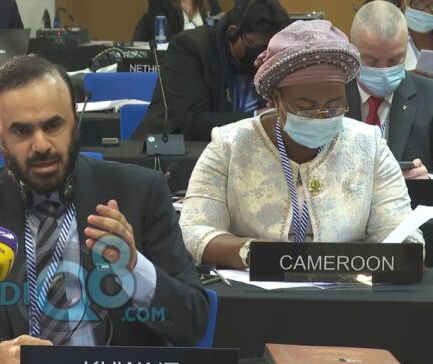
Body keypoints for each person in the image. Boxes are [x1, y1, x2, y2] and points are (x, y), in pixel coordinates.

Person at [0, 55, 208, 364]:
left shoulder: (140, 193)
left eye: (53, 125)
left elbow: (194, 322)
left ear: (74, 120)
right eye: (21, 131)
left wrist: (134, 267)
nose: (41, 145)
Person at [179, 20, 423, 269]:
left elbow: (405, 235)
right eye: (306, 108)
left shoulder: (369, 146)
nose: (321, 116)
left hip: (350, 287)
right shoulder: (230, 145)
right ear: (276, 99)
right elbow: (192, 232)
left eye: (334, 106)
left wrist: (393, 254)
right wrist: (256, 254)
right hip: (253, 286)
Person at [133, 0, 290, 142]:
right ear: (233, 33)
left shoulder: (272, 62)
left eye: (270, 50)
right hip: (173, 151)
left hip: (244, 150)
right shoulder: (189, 49)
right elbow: (194, 123)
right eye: (257, 48)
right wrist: (259, 118)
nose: (263, 56)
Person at [349, 1, 433, 179]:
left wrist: (427, 181)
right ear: (352, 50)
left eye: (394, 61)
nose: (383, 71)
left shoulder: (430, 97)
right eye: (371, 62)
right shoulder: (331, 98)